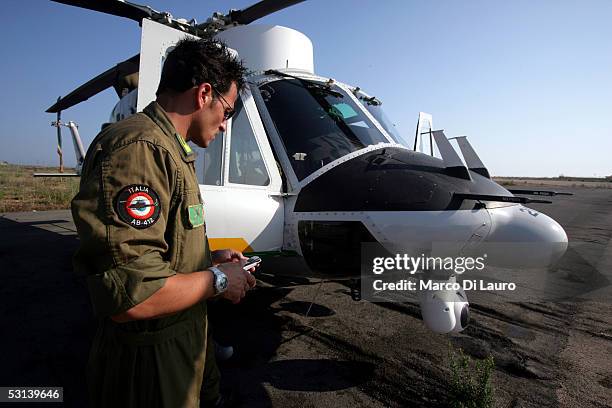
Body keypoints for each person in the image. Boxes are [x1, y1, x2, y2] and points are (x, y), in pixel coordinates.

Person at [71, 37, 253, 408]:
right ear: (203, 94)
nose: (225, 125)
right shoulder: (140, 149)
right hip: (147, 370)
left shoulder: (171, 151)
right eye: (228, 111)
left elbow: (161, 252)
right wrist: (220, 281)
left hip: (181, 347)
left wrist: (208, 260)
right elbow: (131, 295)